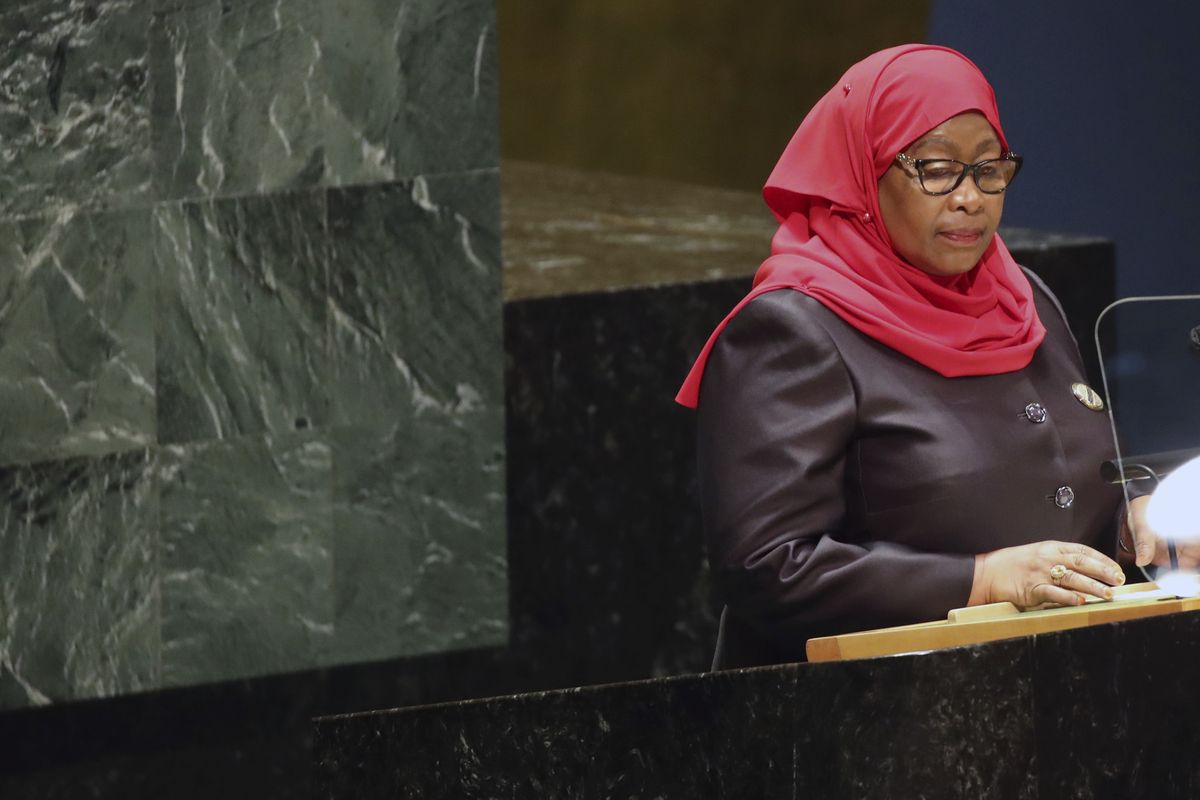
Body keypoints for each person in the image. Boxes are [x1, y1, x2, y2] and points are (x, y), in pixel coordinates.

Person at [676, 44, 1181, 669]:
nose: (970, 197)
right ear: (863, 176)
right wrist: (981, 581)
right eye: (937, 169)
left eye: (989, 168)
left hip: (1059, 698)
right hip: (866, 722)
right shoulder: (792, 329)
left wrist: (1132, 528)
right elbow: (767, 566)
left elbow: (1069, 482)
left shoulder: (1025, 297)